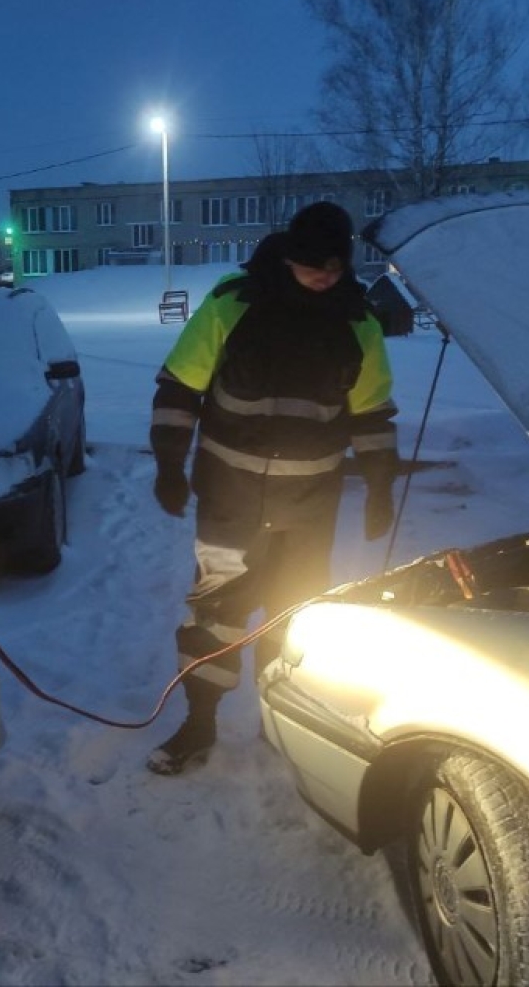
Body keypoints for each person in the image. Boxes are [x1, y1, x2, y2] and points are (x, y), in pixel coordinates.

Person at [146, 201, 399, 776]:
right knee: (216, 614)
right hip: (231, 501)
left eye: (335, 267)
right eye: (313, 264)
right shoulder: (233, 303)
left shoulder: (358, 321)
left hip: (311, 509)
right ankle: (200, 722)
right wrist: (168, 463)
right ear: (288, 254)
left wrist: (381, 484)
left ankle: (282, 719)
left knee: (298, 617)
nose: (325, 276)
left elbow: (373, 414)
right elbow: (179, 387)